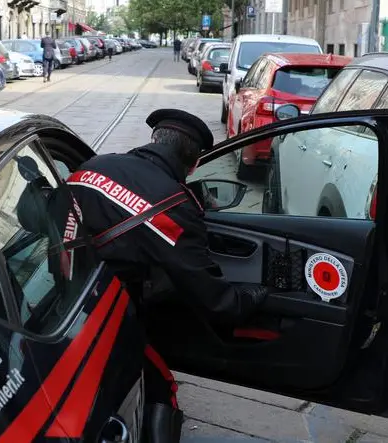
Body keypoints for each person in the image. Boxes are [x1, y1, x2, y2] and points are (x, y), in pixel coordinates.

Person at [17, 109, 270, 442]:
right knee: (160, 388)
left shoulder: (94, 166)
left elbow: (33, 218)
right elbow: (213, 299)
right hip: (101, 316)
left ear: (155, 140)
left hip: (52, 299)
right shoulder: (175, 205)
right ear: (192, 163)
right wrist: (251, 298)